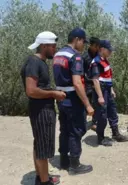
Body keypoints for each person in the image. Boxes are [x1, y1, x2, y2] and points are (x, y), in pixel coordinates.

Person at [20, 31, 65, 185]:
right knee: (43, 147)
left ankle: (42, 177)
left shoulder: (39, 62)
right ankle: (44, 182)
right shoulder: (34, 63)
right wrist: (54, 93)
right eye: (53, 46)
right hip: (41, 111)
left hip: (41, 109)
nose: (55, 49)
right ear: (44, 46)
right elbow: (31, 90)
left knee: (39, 145)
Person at [53, 27, 94, 175]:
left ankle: (64, 160)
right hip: (72, 99)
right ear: (77, 40)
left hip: (60, 97)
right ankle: (75, 164)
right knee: (76, 130)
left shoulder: (58, 55)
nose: (84, 45)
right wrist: (88, 104)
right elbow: (77, 83)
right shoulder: (75, 56)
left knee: (64, 129)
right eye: (83, 42)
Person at [89, 40, 128, 146]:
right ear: (102, 49)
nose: (111, 52)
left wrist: (111, 90)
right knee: (102, 114)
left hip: (107, 89)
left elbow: (107, 77)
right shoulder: (96, 62)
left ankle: (115, 133)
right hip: (101, 90)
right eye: (109, 50)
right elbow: (96, 80)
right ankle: (100, 138)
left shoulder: (105, 61)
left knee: (112, 111)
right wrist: (100, 96)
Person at [83, 37, 100, 131]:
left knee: (97, 103)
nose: (97, 48)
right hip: (87, 84)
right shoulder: (85, 57)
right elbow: (82, 73)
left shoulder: (99, 56)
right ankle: (83, 122)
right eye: (96, 46)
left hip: (97, 83)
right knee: (86, 103)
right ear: (91, 45)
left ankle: (94, 123)